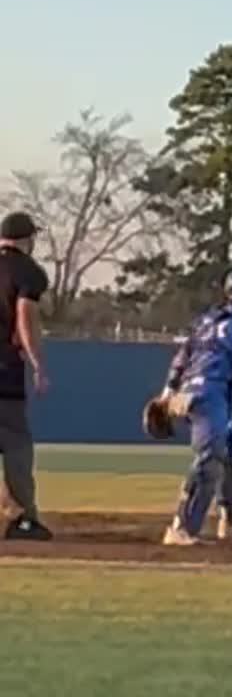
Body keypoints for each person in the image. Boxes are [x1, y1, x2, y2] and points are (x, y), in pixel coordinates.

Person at [157, 263, 232, 546]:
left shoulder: (205, 321)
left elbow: (181, 360)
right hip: (212, 395)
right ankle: (181, 528)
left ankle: (230, 522)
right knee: (209, 460)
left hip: (187, 393)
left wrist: (167, 394)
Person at [1, 211, 53, 541]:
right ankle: (22, 518)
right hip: (4, 372)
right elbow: (24, 315)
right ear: (26, 239)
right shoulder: (28, 272)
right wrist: (38, 364)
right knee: (16, 446)